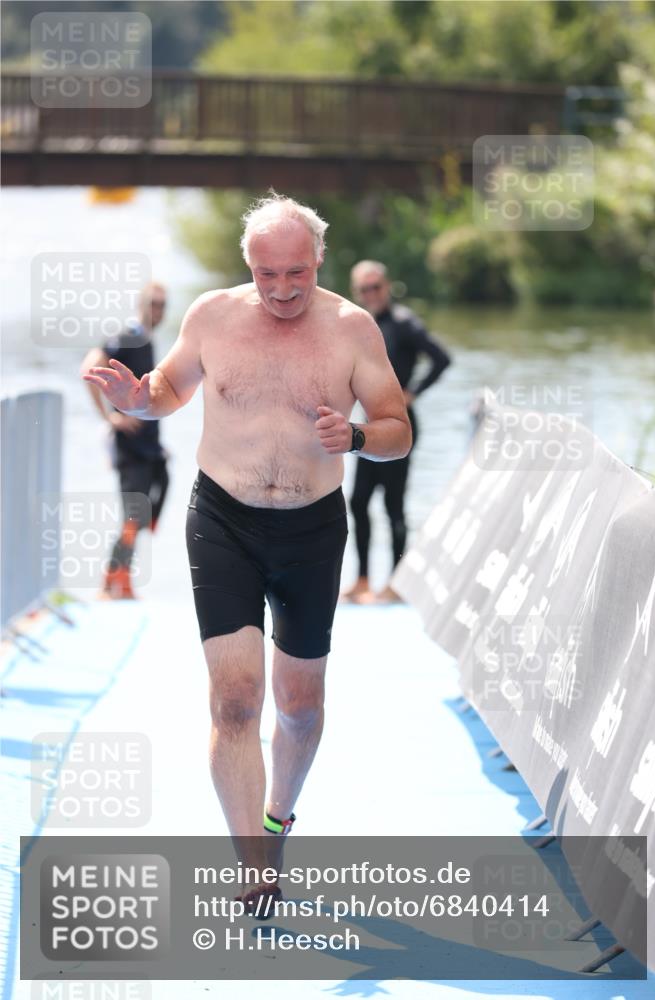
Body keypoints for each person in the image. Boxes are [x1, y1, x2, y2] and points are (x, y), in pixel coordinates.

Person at [82, 193, 411, 918]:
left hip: (311, 529)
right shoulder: (212, 316)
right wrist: (137, 399)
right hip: (223, 520)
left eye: (297, 273)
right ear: (247, 265)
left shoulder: (351, 328)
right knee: (235, 700)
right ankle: (255, 867)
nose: (282, 289)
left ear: (318, 260)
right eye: (267, 274)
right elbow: (165, 391)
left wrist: (357, 438)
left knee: (299, 707)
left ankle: (276, 817)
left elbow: (398, 429)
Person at [342, 261, 451, 604]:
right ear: (357, 292)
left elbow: (441, 358)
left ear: (387, 286)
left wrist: (412, 392)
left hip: (400, 424)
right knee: (358, 501)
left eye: (376, 287)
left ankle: (397, 583)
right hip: (368, 424)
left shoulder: (404, 323)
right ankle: (362, 580)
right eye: (364, 289)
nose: (371, 294)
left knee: (393, 505)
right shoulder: (361, 325)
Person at [80, 282, 170, 599]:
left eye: (162, 304)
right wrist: (109, 417)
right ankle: (113, 582)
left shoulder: (146, 339)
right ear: (140, 304)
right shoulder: (129, 336)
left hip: (148, 445)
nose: (158, 310)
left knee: (152, 498)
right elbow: (89, 367)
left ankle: (119, 578)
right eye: (153, 303)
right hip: (131, 446)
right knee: (133, 515)